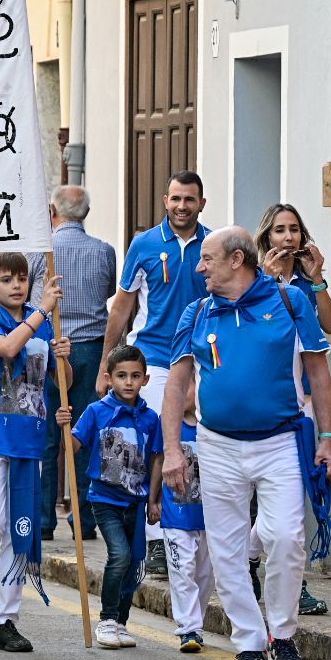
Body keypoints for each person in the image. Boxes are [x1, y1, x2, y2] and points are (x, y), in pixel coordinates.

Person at [163, 226, 331, 660]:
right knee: (226, 551)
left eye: (207, 258)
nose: (199, 267)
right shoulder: (196, 313)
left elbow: (319, 374)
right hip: (217, 445)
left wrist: (328, 437)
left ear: (237, 260)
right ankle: (249, 644)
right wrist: (172, 451)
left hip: (279, 443)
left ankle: (283, 635)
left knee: (286, 538)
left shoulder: (290, 302)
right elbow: (176, 385)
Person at [0, 253, 69, 654]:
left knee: (19, 528)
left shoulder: (43, 324)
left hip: (28, 438)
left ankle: (5, 618)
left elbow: (61, 379)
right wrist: (42, 311)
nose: (17, 286)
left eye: (22, 278)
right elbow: (7, 349)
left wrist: (62, 356)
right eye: (7, 279)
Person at [100, 171, 210, 578]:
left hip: (200, 359)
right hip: (154, 359)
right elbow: (122, 307)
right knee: (154, 446)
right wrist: (106, 366)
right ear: (165, 200)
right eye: (176, 198)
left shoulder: (213, 246)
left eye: (190, 199)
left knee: (199, 445)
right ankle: (155, 539)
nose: (182, 206)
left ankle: (191, 531)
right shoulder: (144, 245)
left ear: (201, 204)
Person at [253, 202, 331, 616]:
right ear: (266, 237)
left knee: (293, 499)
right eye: (280, 230)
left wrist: (318, 278)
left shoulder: (306, 285)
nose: (288, 237)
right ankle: (251, 563)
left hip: (300, 408)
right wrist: (268, 279)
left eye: (294, 229)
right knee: (260, 501)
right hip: (259, 406)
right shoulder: (252, 282)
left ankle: (294, 584)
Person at [35, 186, 117, 541]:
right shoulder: (104, 251)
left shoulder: (42, 252)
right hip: (92, 349)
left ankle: (43, 520)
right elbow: (109, 290)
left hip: (50, 345)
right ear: (86, 212)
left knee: (47, 436)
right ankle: (83, 519)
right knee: (86, 433)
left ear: (53, 211)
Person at [70, 345, 164, 649]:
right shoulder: (96, 411)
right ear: (109, 378)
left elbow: (157, 459)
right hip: (105, 499)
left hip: (137, 501)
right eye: (121, 376)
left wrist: (154, 500)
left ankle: (122, 622)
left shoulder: (151, 419)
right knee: (120, 556)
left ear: (145, 379)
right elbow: (73, 445)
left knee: (134, 563)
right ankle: (107, 619)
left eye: (135, 376)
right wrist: (64, 426)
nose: (128, 382)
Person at [160, 392, 212, 652]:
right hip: (177, 516)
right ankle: (188, 628)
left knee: (205, 575)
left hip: (211, 519)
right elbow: (155, 461)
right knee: (182, 570)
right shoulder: (168, 426)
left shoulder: (215, 426)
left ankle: (196, 623)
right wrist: (153, 500)